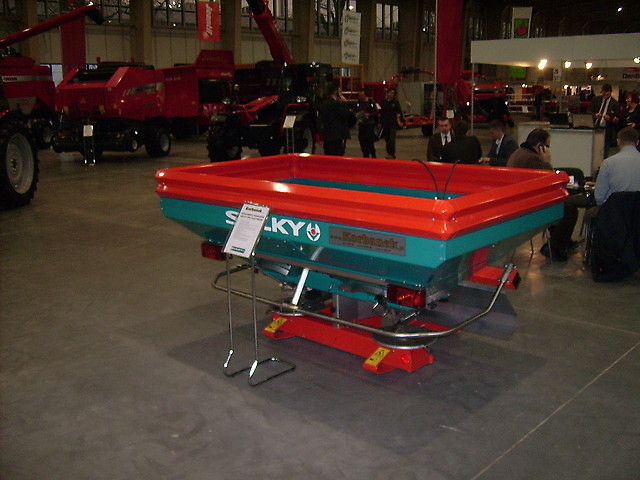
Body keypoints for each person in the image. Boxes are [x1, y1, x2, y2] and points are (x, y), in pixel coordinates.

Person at [507, 128, 579, 261]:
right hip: (528, 209)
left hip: (517, 204)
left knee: (558, 208)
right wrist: (547, 161)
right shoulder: (532, 159)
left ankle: (561, 241)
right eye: (547, 146)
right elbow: (551, 180)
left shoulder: (518, 153)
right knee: (570, 211)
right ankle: (555, 247)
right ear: (540, 146)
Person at [594, 127, 640, 206]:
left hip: (614, 210)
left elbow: (599, 197)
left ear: (618, 141)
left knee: (591, 212)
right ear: (637, 142)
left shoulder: (608, 163)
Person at [318, 83, 356, 156]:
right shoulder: (335, 104)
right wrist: (345, 103)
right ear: (336, 92)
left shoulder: (324, 103)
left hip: (327, 134)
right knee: (337, 154)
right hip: (336, 135)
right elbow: (347, 114)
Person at [590, 84, 620, 158]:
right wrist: (595, 115)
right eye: (604, 94)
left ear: (610, 92)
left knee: (604, 151)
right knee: (593, 149)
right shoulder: (596, 100)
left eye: (607, 94)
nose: (605, 95)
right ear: (601, 92)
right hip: (595, 127)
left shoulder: (615, 104)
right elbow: (588, 111)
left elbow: (617, 119)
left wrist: (611, 119)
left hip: (607, 129)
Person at [379, 87, 405, 159]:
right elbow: (382, 112)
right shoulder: (384, 102)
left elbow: (400, 112)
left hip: (393, 124)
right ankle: (388, 152)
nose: (391, 94)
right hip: (385, 124)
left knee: (391, 139)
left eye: (393, 93)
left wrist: (403, 122)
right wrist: (380, 122)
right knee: (387, 139)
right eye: (390, 93)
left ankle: (392, 153)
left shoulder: (395, 103)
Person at [355, 89, 379, 158]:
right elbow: (355, 110)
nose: (360, 97)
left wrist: (369, 115)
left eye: (362, 95)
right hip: (362, 124)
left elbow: (376, 112)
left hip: (369, 124)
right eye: (359, 95)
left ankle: (373, 154)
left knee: (369, 141)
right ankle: (365, 154)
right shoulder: (358, 102)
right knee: (362, 140)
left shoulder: (371, 102)